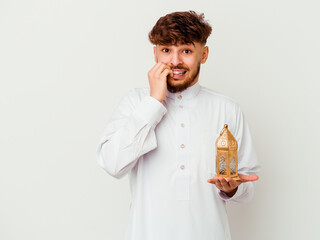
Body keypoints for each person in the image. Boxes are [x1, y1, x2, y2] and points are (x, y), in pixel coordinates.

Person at [96, 10, 261, 240]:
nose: (175, 61)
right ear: (155, 54)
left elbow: (248, 184)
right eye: (166, 50)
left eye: (186, 50)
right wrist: (154, 102)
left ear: (203, 54)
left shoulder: (227, 109)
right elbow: (112, 164)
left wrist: (233, 189)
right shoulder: (136, 102)